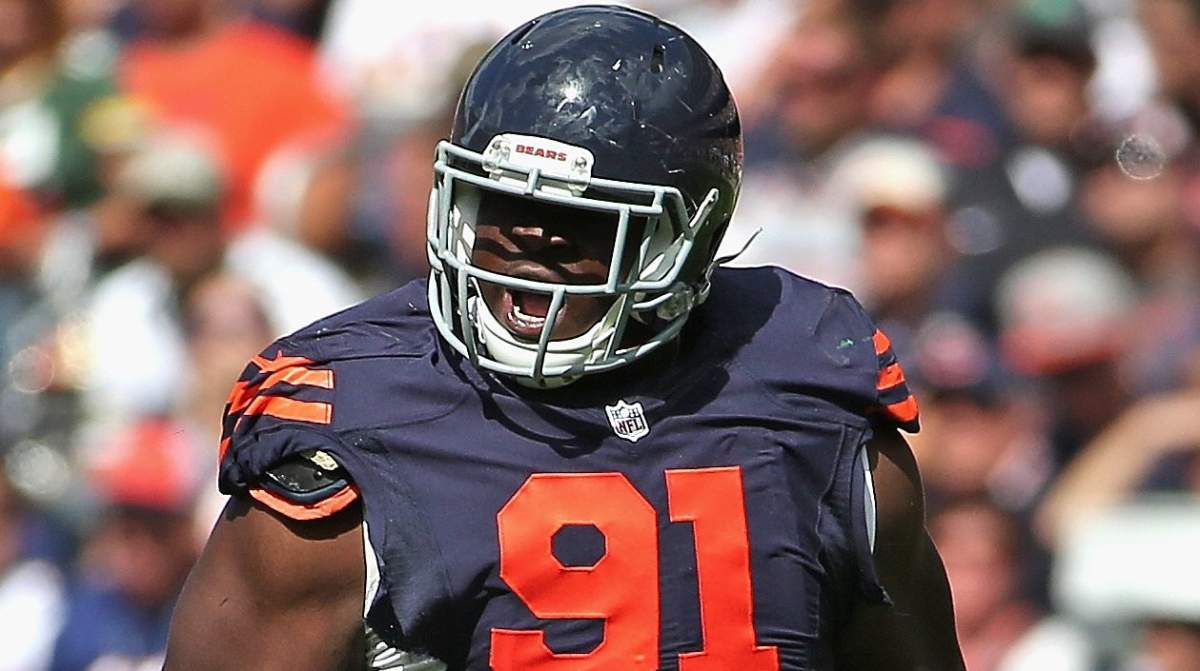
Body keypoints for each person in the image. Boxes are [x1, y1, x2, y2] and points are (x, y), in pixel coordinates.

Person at [164, 6, 964, 670]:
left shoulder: (813, 398)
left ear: (686, 239)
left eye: (580, 221)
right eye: (501, 203)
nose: (525, 244)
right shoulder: (351, 428)